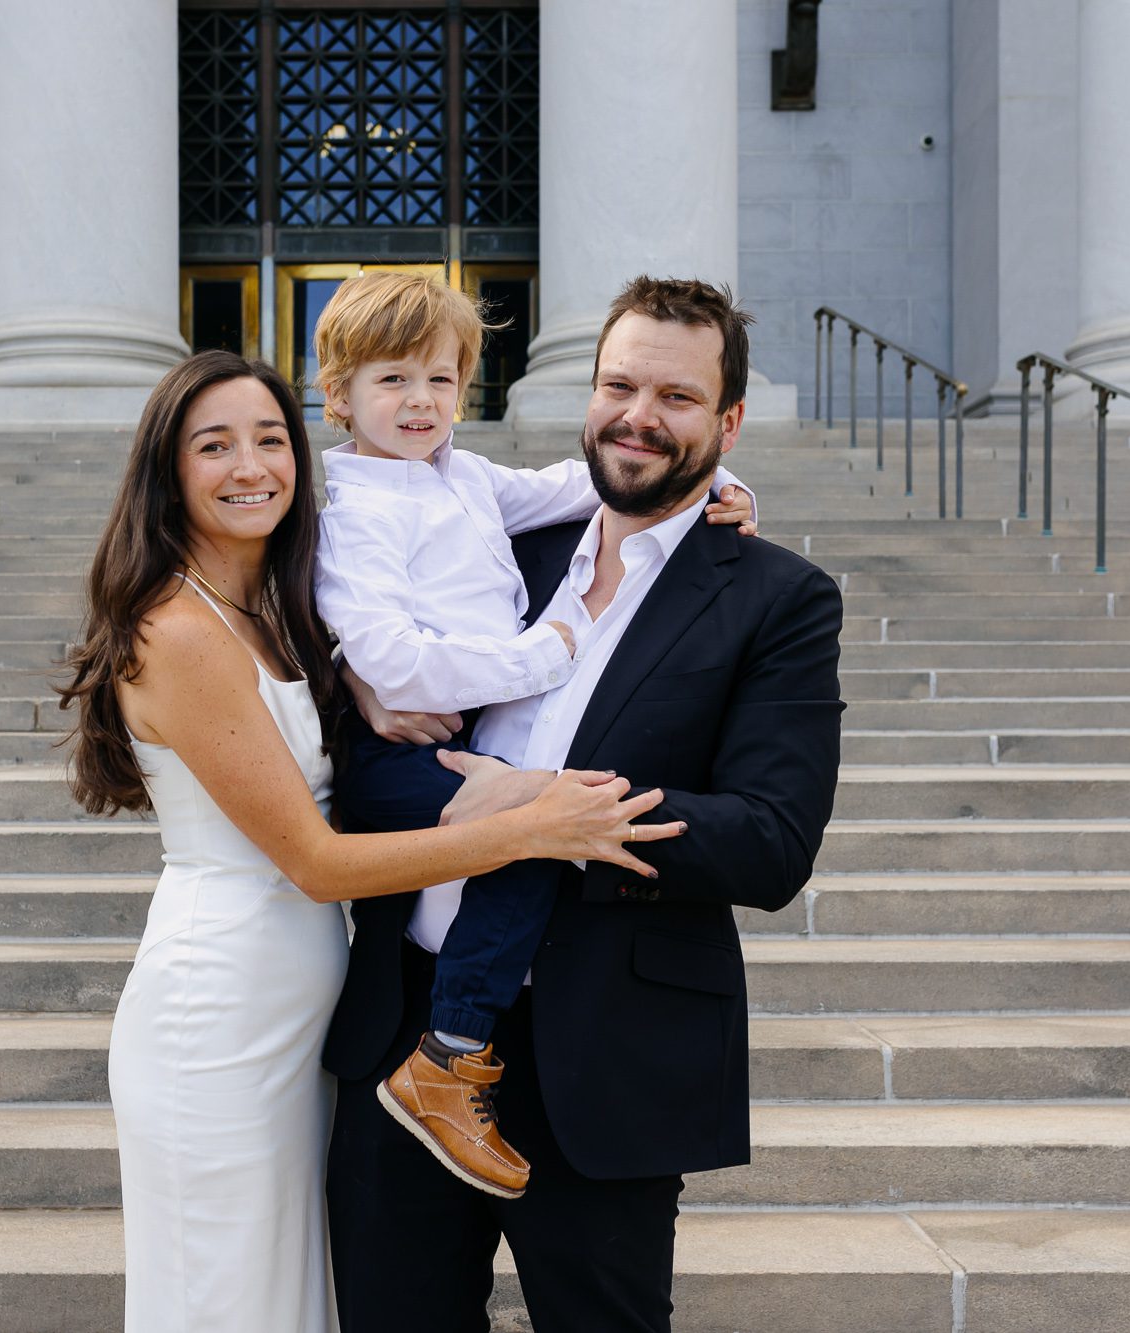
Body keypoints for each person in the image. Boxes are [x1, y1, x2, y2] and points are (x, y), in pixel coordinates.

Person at [53, 349, 687, 1333]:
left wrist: (703, 500)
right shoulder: (178, 630)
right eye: (212, 445)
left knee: (285, 1293)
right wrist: (528, 827)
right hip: (218, 1008)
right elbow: (313, 862)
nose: (250, 465)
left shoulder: (277, 610)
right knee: (220, 1296)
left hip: (298, 1017)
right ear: (165, 472)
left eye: (270, 439)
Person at [324, 277, 846, 1333]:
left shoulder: (773, 596)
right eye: (618, 384)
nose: (637, 415)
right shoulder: (496, 537)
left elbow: (771, 840)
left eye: (676, 397)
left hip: (603, 1049)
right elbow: (348, 631)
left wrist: (571, 819)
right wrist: (360, 680)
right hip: (403, 1025)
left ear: (727, 421)